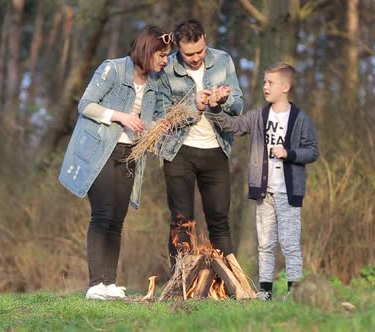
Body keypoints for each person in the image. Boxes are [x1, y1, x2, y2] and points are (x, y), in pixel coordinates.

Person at [58, 25, 172, 300]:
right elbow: (85, 105)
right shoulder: (113, 69)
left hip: (130, 153)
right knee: (102, 214)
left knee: (117, 220)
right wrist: (120, 116)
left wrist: (161, 125)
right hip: (101, 150)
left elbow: (150, 120)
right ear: (148, 50)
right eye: (162, 55)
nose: (165, 60)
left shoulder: (156, 83)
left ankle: (109, 283)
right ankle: (96, 284)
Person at [203, 62, 319, 301]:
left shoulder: (300, 119)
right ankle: (265, 291)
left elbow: (312, 151)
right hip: (262, 193)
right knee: (265, 244)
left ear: (285, 86)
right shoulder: (258, 116)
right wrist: (215, 108)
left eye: (270, 83)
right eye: (264, 82)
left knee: (289, 244)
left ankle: (294, 291)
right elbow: (233, 126)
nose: (265, 86)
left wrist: (290, 153)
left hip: (289, 193)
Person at [156, 18, 243, 267]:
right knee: (182, 220)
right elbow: (162, 113)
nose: (195, 58)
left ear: (205, 38)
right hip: (178, 152)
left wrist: (222, 100)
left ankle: (229, 285)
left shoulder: (223, 60)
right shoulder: (167, 69)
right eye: (188, 53)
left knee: (219, 219)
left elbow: (238, 105)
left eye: (200, 51)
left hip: (216, 150)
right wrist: (193, 104)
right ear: (177, 48)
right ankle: (181, 284)